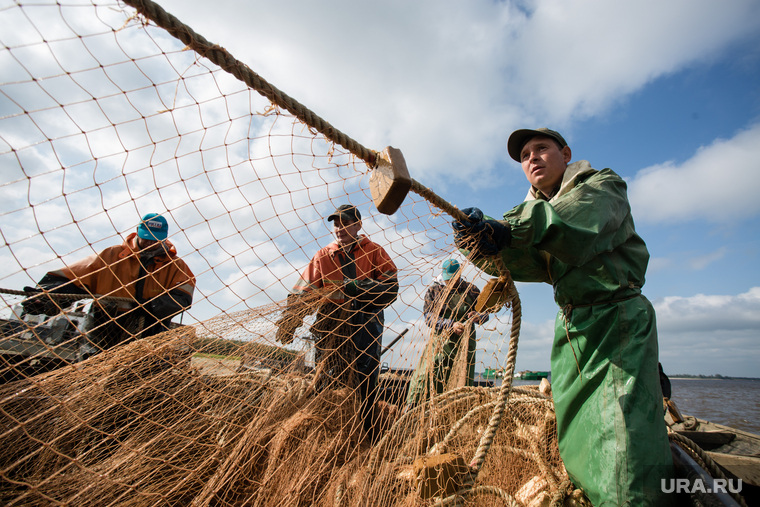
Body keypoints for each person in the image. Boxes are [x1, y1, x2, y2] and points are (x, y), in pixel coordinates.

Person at [451, 128, 673, 505]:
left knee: (623, 442)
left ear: (566, 154)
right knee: (576, 437)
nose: (532, 158)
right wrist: (478, 241)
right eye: (524, 155)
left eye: (542, 149)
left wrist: (508, 228)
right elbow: (524, 261)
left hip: (615, 319)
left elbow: (575, 224)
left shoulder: (603, 186)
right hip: (571, 329)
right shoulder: (535, 213)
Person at [276, 204, 399, 441]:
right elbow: (304, 291)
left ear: (358, 225)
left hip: (366, 324)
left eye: (344, 223)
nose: (339, 228)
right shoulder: (323, 255)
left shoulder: (374, 251)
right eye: (336, 224)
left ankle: (365, 435)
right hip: (330, 326)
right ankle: (326, 435)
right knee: (327, 380)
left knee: (365, 382)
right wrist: (290, 320)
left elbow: (391, 288)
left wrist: (359, 288)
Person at [23, 213, 195, 350]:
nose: (150, 243)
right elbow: (74, 278)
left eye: (155, 239)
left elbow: (183, 298)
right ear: (138, 232)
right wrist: (45, 297)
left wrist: (149, 307)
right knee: (94, 372)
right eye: (146, 238)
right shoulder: (111, 256)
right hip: (105, 326)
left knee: (144, 378)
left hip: (150, 330)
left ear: (164, 237)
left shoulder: (176, 266)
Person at [405, 259, 488, 408]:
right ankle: (413, 408)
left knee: (462, 381)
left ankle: (456, 414)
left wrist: (478, 316)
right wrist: (450, 325)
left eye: (454, 278)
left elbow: (485, 315)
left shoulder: (471, 290)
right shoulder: (434, 290)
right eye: (449, 278)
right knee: (426, 376)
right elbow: (429, 317)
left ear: (460, 274)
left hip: (465, 344)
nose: (451, 282)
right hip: (440, 342)